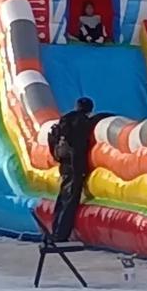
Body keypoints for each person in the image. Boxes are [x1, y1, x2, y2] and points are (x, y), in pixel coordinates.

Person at [47, 97, 113, 244]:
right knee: (70, 200)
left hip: (64, 163)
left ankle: (55, 230)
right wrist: (80, 170)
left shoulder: (66, 120)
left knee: (62, 197)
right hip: (74, 165)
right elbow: (78, 146)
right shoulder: (81, 123)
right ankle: (61, 235)